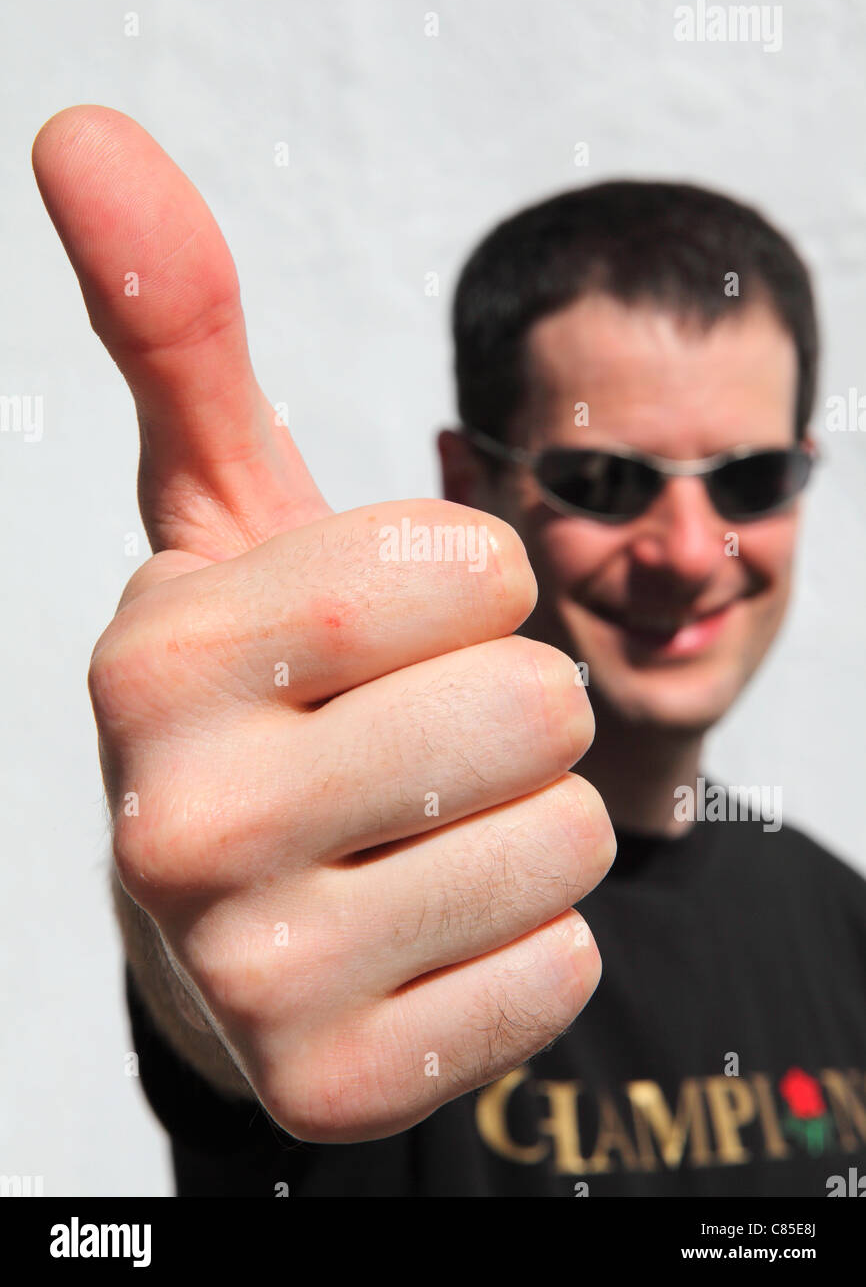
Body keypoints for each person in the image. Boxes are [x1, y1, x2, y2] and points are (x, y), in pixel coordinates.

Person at [33, 106, 866, 1198]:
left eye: (747, 479)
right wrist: (194, 948)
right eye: (603, 480)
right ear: (469, 481)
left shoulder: (839, 917)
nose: (684, 549)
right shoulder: (368, 889)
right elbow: (238, 1015)